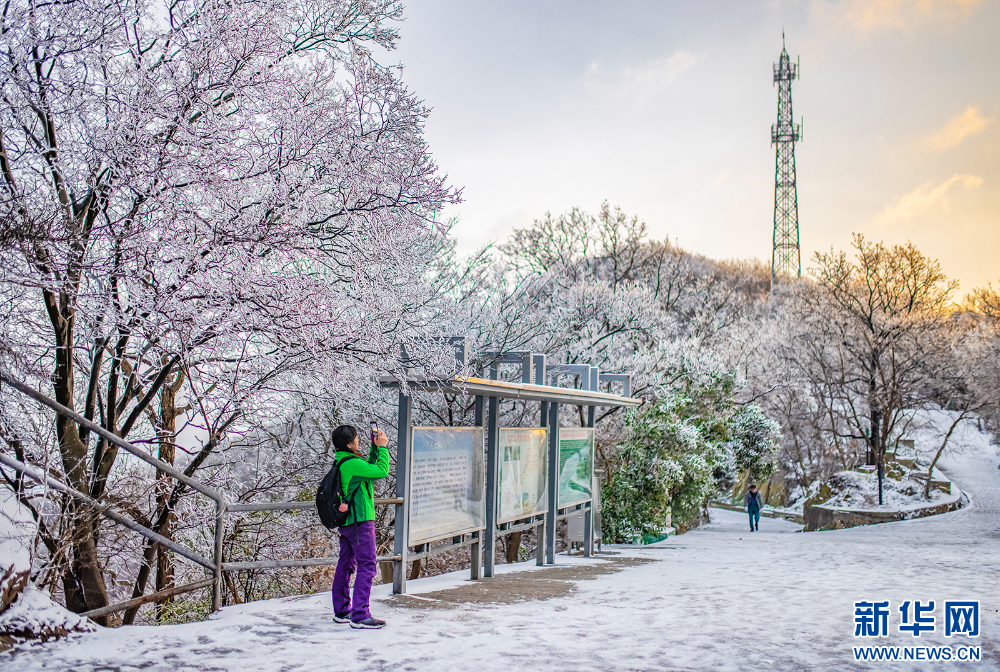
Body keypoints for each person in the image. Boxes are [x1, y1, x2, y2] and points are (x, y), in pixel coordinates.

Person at [330, 424, 389, 629]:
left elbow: (368, 470)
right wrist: (383, 448)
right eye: (356, 439)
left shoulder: (343, 461)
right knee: (367, 565)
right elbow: (381, 471)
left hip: (347, 523)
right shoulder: (352, 464)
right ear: (349, 443)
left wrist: (374, 449)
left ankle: (342, 610)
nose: (358, 441)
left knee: (345, 564)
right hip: (360, 522)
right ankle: (360, 614)